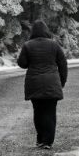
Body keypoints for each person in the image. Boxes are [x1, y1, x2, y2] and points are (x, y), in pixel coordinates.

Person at [17, 20, 68, 150]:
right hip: (52, 83)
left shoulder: (27, 45)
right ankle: (48, 142)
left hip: (34, 84)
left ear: (33, 31)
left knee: (38, 112)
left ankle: (40, 139)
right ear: (46, 31)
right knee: (50, 113)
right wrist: (61, 82)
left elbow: (22, 63)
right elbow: (63, 64)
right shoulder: (54, 45)